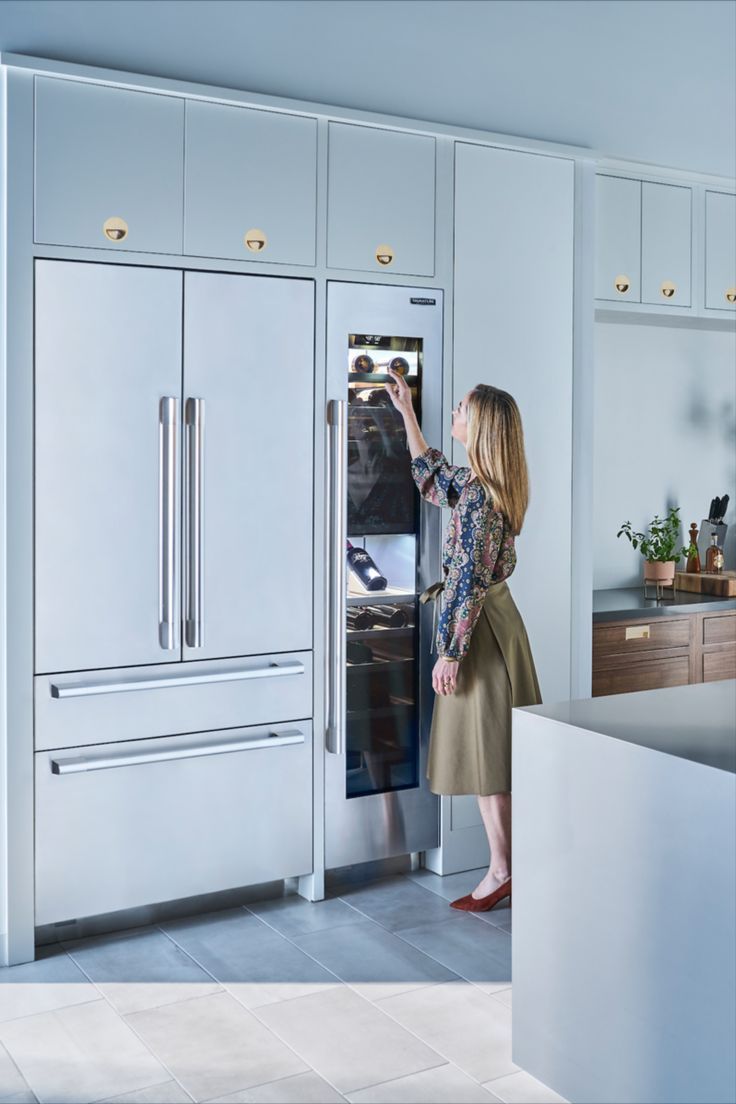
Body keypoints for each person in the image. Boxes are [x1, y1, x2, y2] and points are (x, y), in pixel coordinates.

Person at [386, 367, 542, 912]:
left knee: (488, 760)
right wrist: (407, 411)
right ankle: (509, 869)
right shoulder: (482, 487)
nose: (454, 413)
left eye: (461, 409)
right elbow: (432, 479)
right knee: (492, 758)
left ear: (480, 427)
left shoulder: (480, 500)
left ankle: (502, 871)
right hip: (497, 628)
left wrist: (451, 652)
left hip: (479, 634)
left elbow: (468, 581)